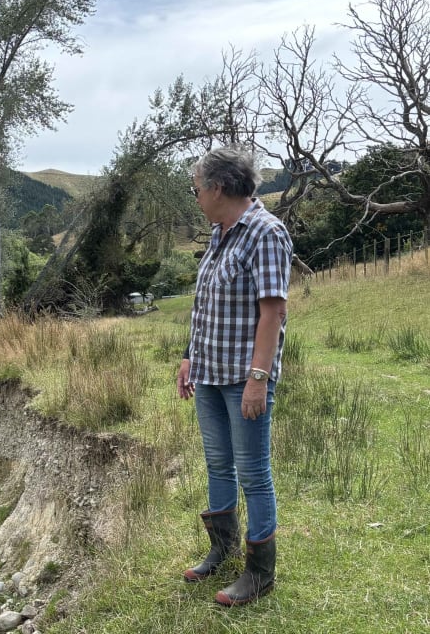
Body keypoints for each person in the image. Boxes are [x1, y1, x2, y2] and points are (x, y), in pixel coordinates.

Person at [176, 147, 292, 607]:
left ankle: (260, 573)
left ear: (218, 187)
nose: (196, 197)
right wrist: (189, 357)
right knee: (218, 465)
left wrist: (258, 378)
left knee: (253, 474)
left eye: (197, 188)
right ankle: (221, 550)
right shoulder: (219, 233)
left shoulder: (265, 232)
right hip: (208, 374)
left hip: (243, 379)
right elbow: (205, 306)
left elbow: (273, 311)